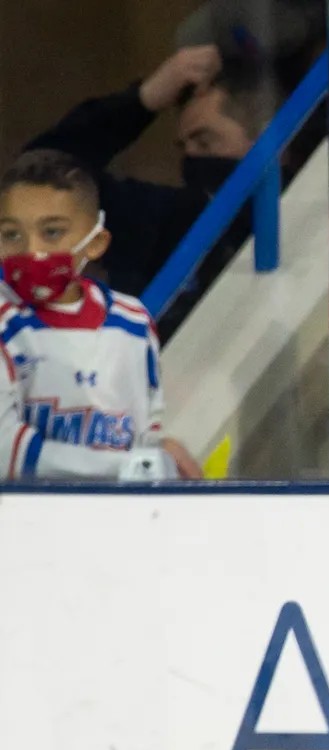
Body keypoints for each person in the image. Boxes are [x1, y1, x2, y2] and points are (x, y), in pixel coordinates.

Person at [19, 43, 271, 303]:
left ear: (268, 137)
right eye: (184, 147)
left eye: (205, 142)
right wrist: (143, 100)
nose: (191, 158)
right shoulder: (170, 219)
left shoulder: (305, 208)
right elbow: (39, 178)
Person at [1, 151, 197, 481]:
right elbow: (5, 453)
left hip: (117, 522)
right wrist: (124, 467)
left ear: (96, 243)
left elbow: (142, 433)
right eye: (11, 234)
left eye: (51, 232)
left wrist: (160, 451)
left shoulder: (134, 322)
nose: (31, 250)